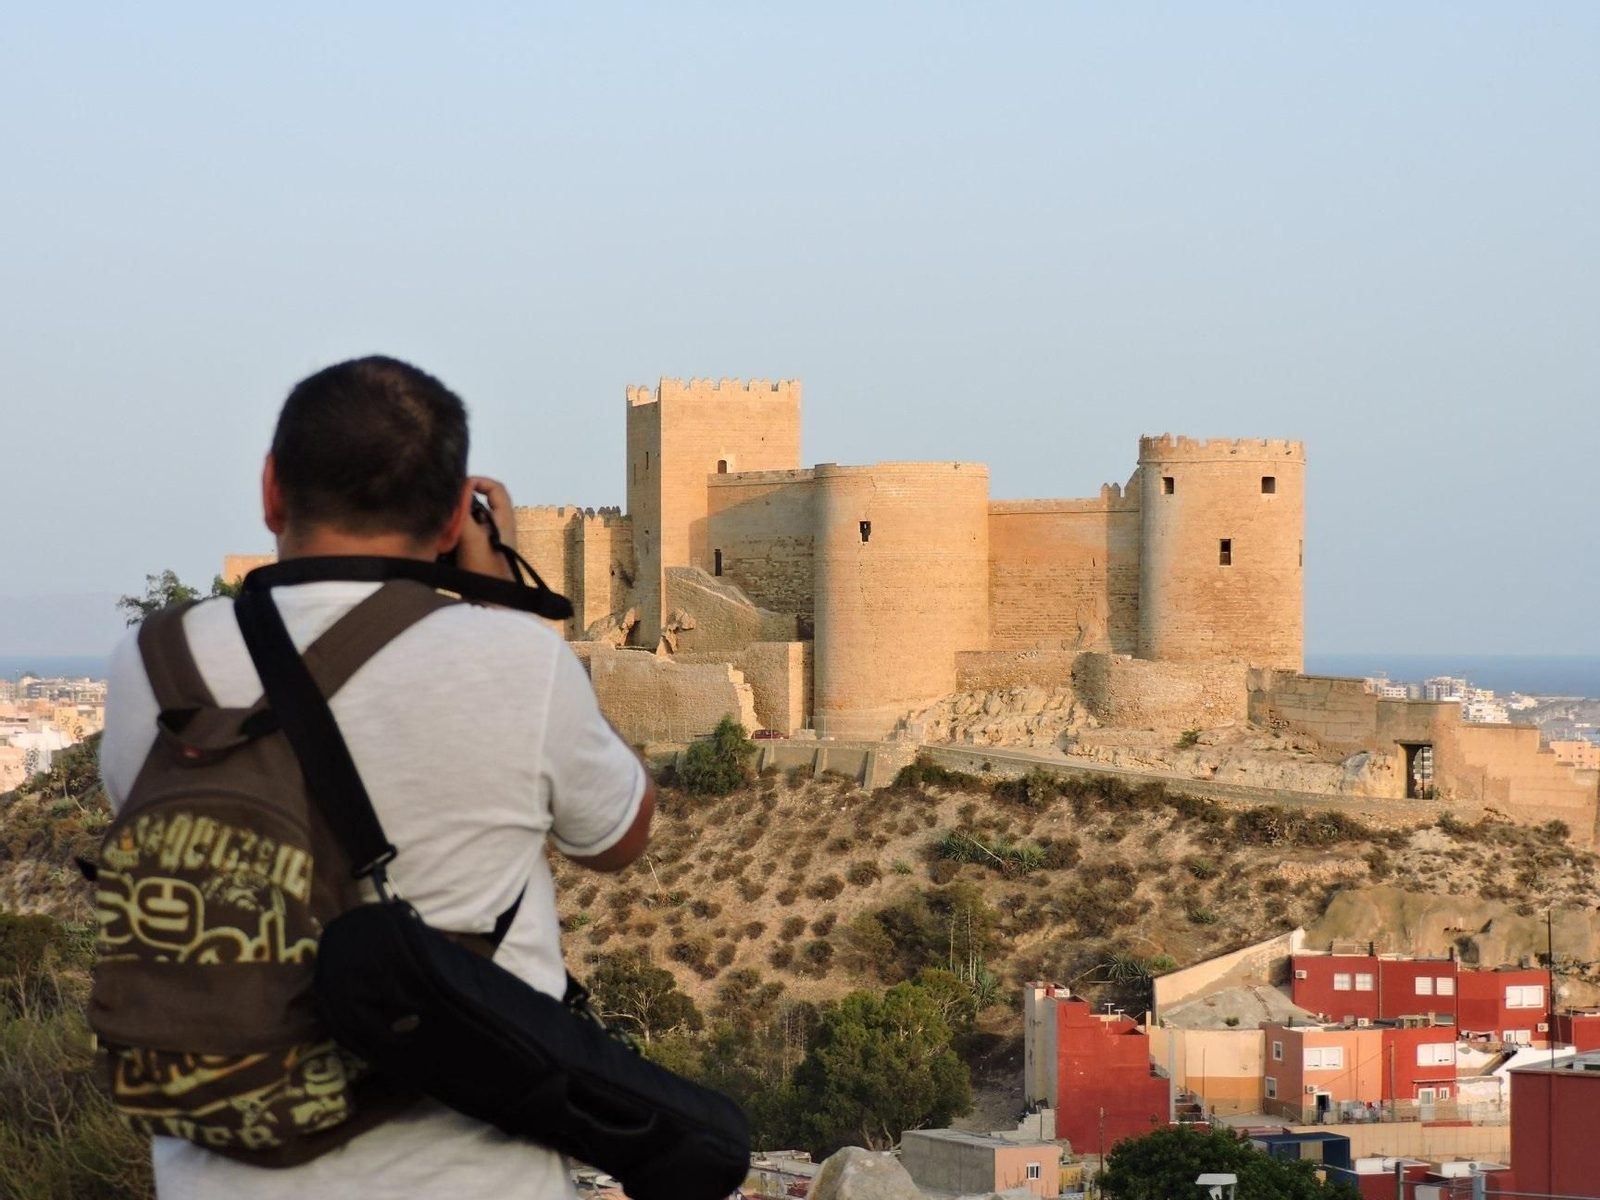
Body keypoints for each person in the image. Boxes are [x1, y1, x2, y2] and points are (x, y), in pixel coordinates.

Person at [100, 355, 654, 1200]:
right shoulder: (516, 660)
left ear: (272, 491)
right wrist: (500, 603)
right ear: (454, 516)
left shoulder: (155, 662)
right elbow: (619, 839)